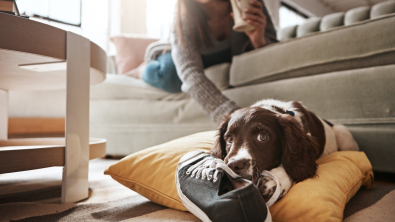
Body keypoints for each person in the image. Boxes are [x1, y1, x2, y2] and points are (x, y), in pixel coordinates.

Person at [142, 0, 277, 123]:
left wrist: (258, 39)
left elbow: (277, 54)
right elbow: (190, 72)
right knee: (167, 74)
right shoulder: (184, 14)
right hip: (179, 58)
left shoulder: (251, 3)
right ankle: (141, 68)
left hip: (222, 57)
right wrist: (230, 115)